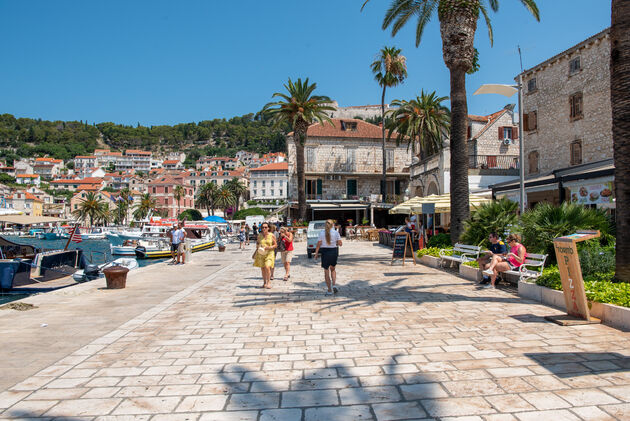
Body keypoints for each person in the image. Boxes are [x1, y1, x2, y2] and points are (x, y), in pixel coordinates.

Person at [314, 219, 343, 296]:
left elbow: (318, 244)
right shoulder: (336, 233)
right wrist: (336, 242)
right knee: (333, 269)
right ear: (332, 225)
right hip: (333, 251)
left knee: (326, 271)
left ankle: (329, 290)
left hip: (325, 252)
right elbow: (340, 244)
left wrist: (316, 253)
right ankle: (334, 285)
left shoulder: (321, 233)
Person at [253, 222, 277, 289]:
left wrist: (268, 247)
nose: (264, 228)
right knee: (263, 268)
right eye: (263, 227)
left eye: (266, 227)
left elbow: (275, 245)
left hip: (269, 253)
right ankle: (264, 282)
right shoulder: (259, 235)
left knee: (267, 267)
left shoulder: (271, 235)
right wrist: (259, 246)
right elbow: (257, 243)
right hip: (261, 253)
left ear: (268, 228)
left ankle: (268, 282)